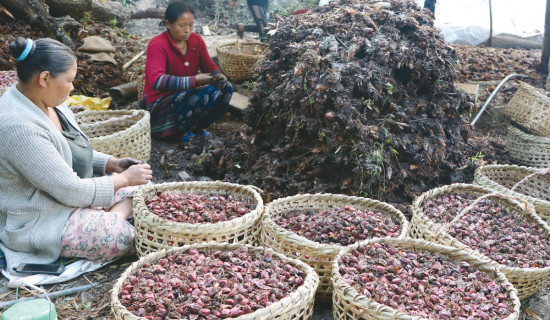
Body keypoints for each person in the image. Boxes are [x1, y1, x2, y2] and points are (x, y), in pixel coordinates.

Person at [0, 37, 153, 275]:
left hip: (68, 196)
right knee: (122, 237)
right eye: (69, 80)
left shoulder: (50, 102)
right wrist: (122, 179)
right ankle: (111, 221)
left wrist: (112, 164)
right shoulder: (18, 126)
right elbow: (70, 191)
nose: (73, 88)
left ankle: (108, 217)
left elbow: (72, 148)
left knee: (146, 189)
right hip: (43, 217)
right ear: (44, 78)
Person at [142, 2, 233, 143]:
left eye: (191, 25)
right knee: (198, 96)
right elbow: (157, 80)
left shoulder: (197, 41)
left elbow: (209, 66)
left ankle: (197, 127)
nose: (187, 30)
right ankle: (178, 132)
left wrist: (218, 76)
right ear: (168, 24)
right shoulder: (157, 44)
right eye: (182, 25)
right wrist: (195, 80)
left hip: (188, 95)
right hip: (161, 104)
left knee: (226, 88)